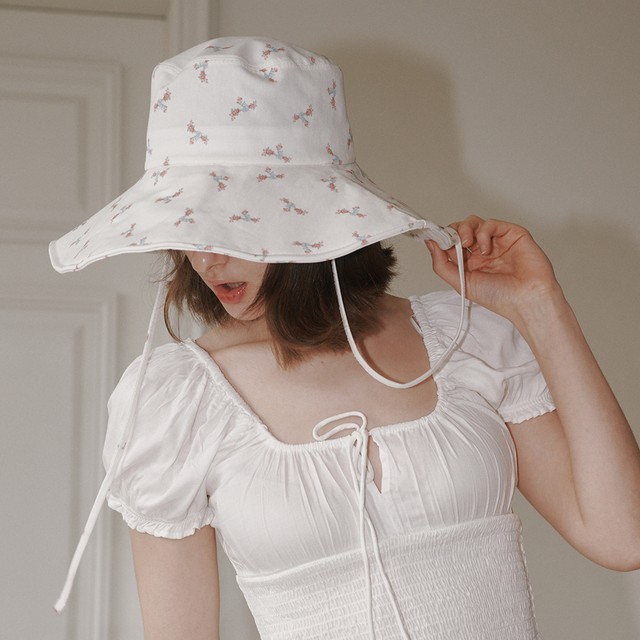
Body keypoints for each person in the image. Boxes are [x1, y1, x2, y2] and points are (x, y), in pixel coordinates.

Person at [49, 37, 640, 639]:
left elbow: (624, 536)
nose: (205, 257)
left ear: (313, 209)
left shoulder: (464, 339)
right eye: (186, 223)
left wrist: (540, 306)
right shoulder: (178, 403)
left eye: (231, 221)